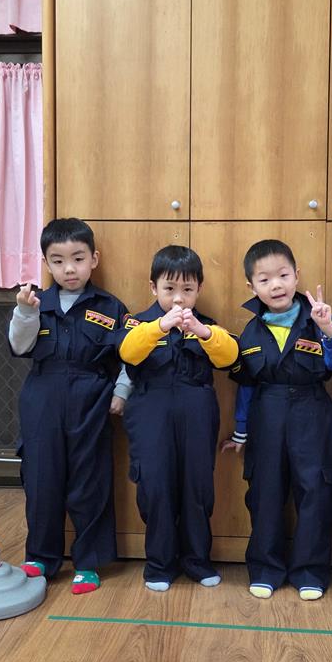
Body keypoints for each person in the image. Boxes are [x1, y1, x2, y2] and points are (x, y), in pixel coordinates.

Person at [222, 239, 332, 601]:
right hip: (267, 412)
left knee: (316, 491)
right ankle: (265, 568)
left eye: (283, 275)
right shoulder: (250, 331)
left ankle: (310, 571)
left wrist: (328, 330)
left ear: (297, 275)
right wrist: (240, 432)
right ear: (252, 287)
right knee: (265, 492)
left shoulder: (320, 318)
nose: (276, 285)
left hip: (312, 410)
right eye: (264, 280)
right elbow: (246, 386)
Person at [8, 218, 130, 595]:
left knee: (89, 479)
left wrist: (121, 391)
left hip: (92, 395)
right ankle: (41, 556)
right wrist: (24, 312)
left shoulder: (110, 306)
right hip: (43, 395)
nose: (69, 269)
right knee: (41, 476)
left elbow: (130, 354)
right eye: (58, 261)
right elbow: (20, 346)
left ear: (94, 259)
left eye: (78, 258)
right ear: (46, 263)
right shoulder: (35, 303)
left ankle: (88, 562)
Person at [117, 245, 238, 592]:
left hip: (197, 409)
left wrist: (201, 331)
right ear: (153, 287)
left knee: (197, 486)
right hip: (150, 410)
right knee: (155, 486)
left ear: (199, 289)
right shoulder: (138, 323)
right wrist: (160, 326)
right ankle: (159, 564)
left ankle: (197, 561)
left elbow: (229, 358)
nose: (178, 298)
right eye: (169, 289)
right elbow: (128, 352)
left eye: (187, 289)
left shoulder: (207, 325)